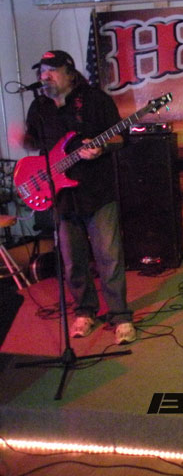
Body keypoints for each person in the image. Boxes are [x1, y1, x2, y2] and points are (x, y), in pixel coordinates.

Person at [23, 50, 136, 345]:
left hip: (97, 190)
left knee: (109, 257)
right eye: (42, 71)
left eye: (51, 70)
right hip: (61, 194)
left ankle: (121, 316)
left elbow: (121, 136)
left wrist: (101, 147)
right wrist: (21, 141)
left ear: (70, 73)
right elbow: (34, 143)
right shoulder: (39, 107)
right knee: (72, 261)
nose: (45, 76)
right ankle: (85, 311)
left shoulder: (95, 100)